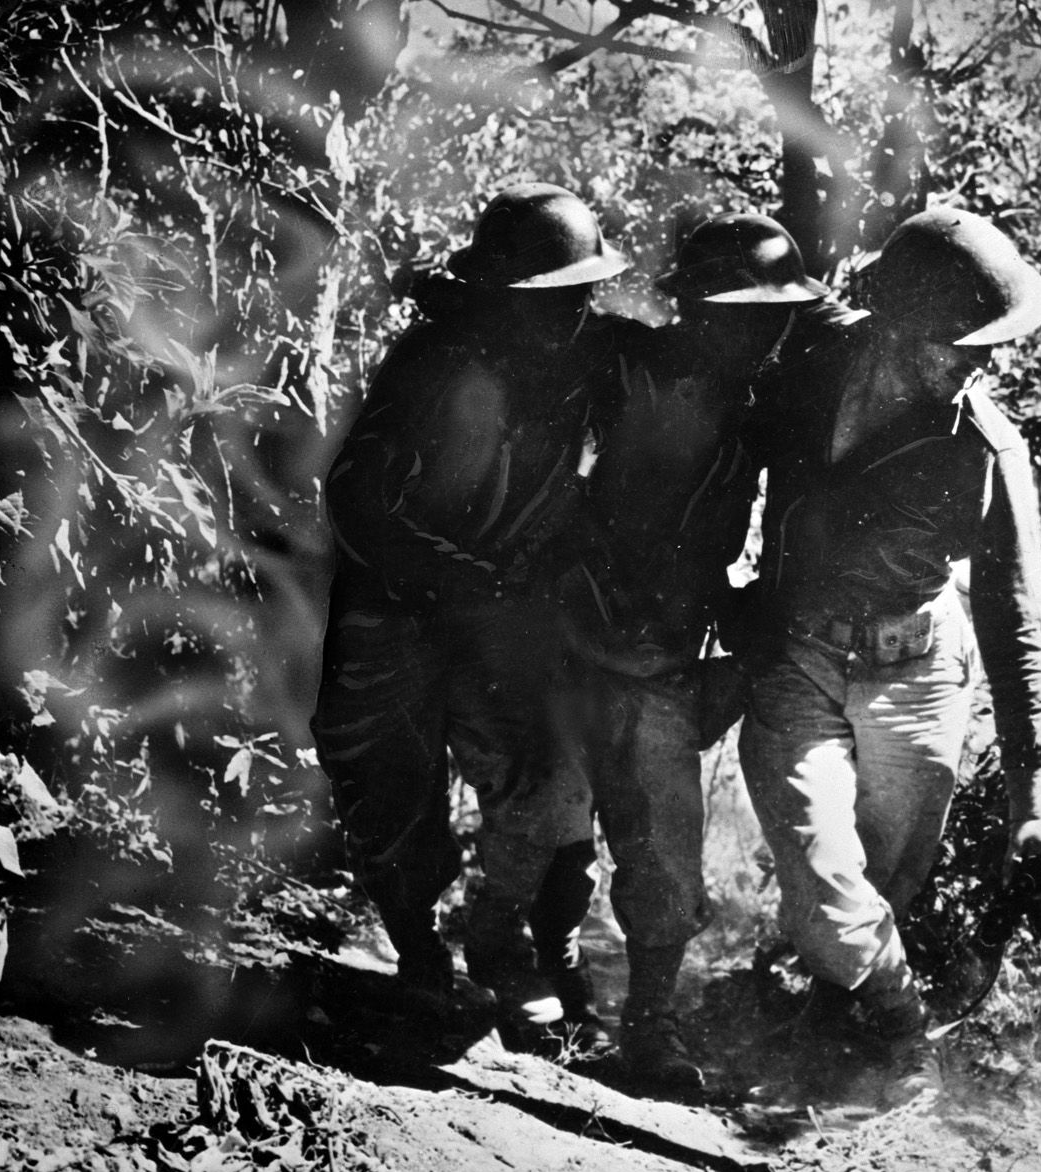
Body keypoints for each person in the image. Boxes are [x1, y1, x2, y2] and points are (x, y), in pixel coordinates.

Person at [738, 206, 1041, 1106]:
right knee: (827, 873)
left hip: (921, 674)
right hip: (799, 656)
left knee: (885, 878)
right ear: (894, 322)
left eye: (993, 344)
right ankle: (903, 1027)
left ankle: (821, 1043)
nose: (984, 363)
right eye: (964, 341)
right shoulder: (803, 362)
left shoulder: (988, 451)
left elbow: (1020, 623)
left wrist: (1033, 807)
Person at [311, 182, 627, 1031]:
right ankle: (420, 955)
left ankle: (536, 953)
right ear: (498, 301)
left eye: (579, 298)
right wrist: (455, 579)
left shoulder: (584, 366)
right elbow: (357, 497)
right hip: (398, 610)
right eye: (548, 301)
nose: (569, 316)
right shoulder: (432, 366)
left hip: (506, 613)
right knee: (390, 786)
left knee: (554, 781)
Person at [553, 213, 829, 1091]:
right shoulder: (619, 362)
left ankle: (650, 1024)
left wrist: (739, 620)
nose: (766, 330)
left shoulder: (757, 414)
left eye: (773, 315)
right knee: (549, 831)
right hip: (564, 636)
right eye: (746, 313)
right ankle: (546, 979)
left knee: (667, 847)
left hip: (665, 653)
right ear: (700, 310)